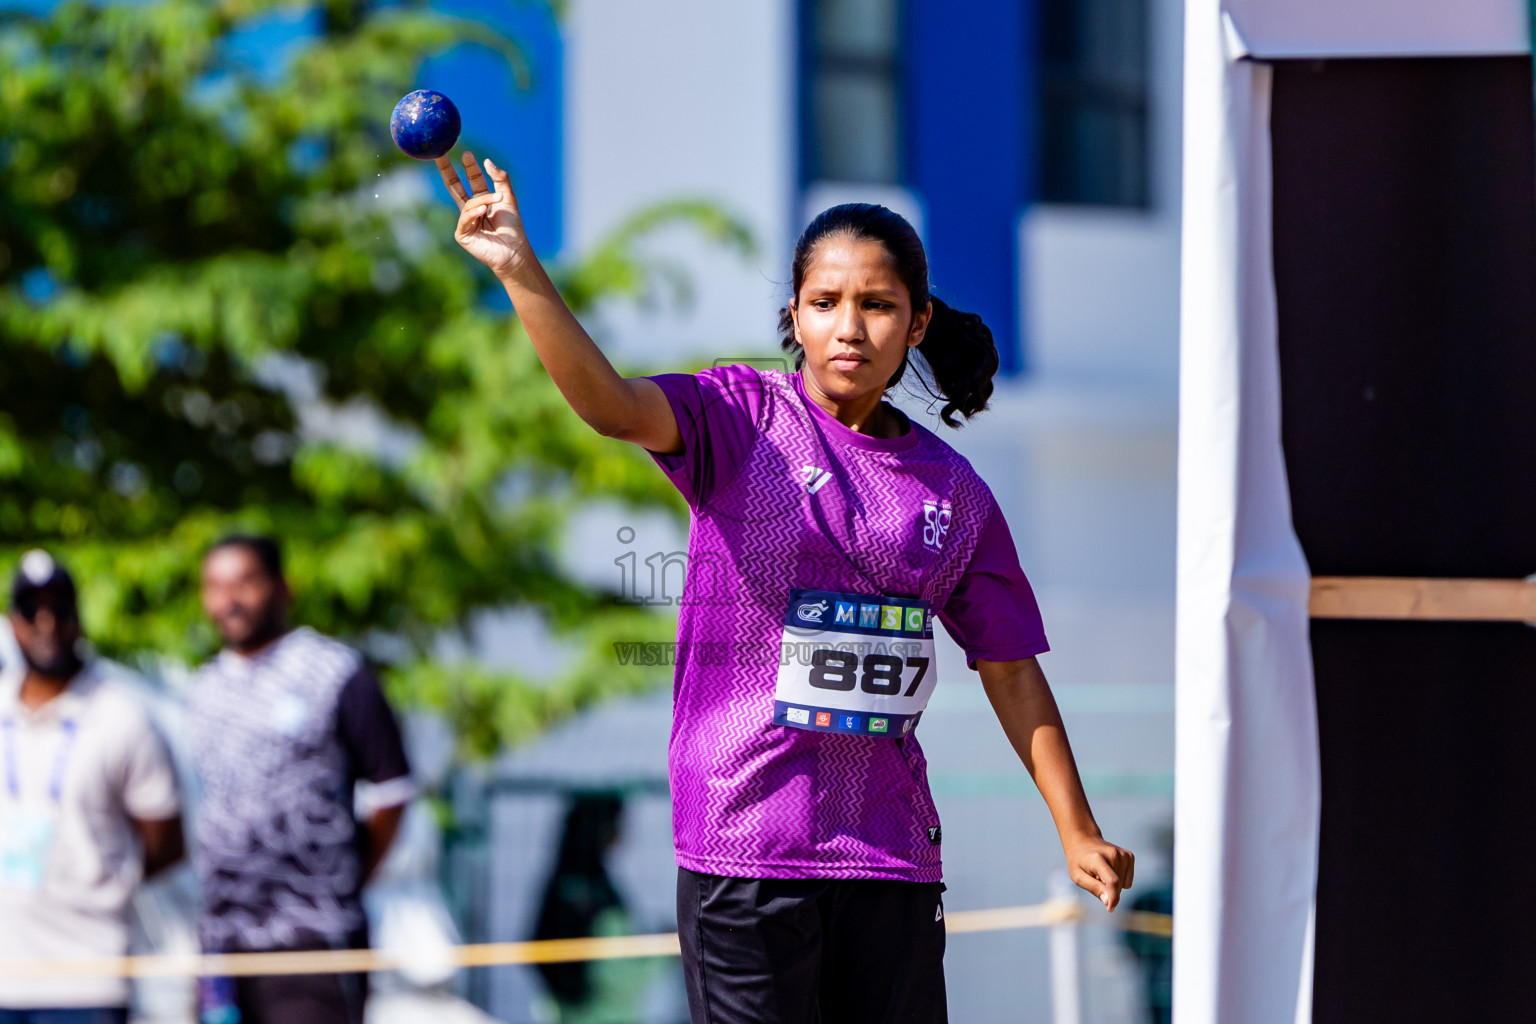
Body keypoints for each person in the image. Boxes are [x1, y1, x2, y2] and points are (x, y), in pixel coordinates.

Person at [439, 151, 1135, 1023]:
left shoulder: (952, 491)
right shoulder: (734, 418)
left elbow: (1011, 667)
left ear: (917, 324)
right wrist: (519, 270)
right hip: (744, 850)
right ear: (794, 319)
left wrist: (1075, 826)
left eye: (878, 306)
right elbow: (611, 405)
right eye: (826, 304)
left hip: (887, 858)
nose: (851, 327)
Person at [189, 536, 414, 1024]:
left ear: (282, 588)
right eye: (216, 586)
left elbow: (393, 791)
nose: (230, 599)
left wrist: (347, 877)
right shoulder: (203, 687)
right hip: (223, 943)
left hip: (312, 939)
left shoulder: (333, 671)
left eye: (245, 583)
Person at [0, 550, 184, 1024]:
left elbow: (166, 839)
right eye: (30, 610)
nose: (46, 623)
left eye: (60, 607)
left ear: (79, 617)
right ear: (11, 621)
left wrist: (101, 878)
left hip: (87, 973)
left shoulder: (122, 713)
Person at [533, 793, 658, 1024]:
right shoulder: (596, 897)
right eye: (619, 823)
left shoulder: (563, 882)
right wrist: (662, 952)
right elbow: (620, 974)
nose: (625, 833)